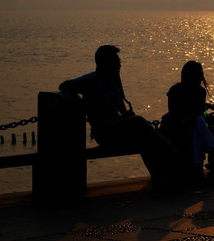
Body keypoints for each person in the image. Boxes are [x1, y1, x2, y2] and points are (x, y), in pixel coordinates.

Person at [59, 45, 178, 187]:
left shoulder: (115, 79)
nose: (120, 64)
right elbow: (64, 85)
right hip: (105, 133)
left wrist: (128, 116)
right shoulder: (91, 80)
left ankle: (160, 177)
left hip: (118, 129)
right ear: (105, 63)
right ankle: (172, 152)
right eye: (116, 61)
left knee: (144, 137)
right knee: (139, 122)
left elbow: (122, 106)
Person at [161, 61, 214, 181]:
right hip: (178, 124)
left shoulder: (200, 92)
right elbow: (173, 114)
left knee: (195, 130)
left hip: (192, 124)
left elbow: (199, 111)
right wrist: (188, 118)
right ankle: (211, 154)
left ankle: (197, 168)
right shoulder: (175, 90)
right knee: (198, 121)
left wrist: (191, 117)